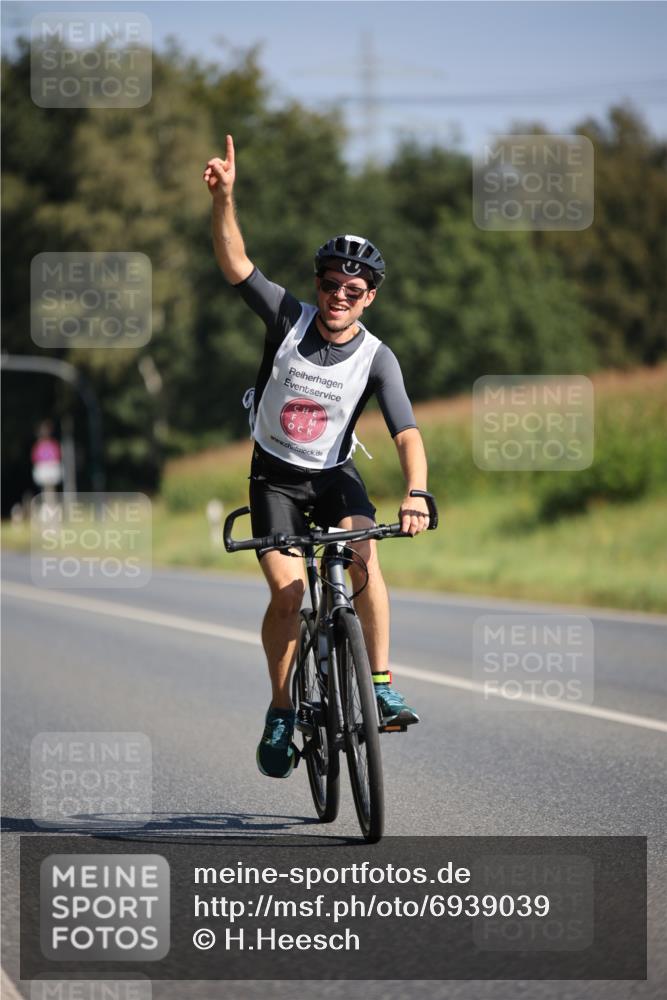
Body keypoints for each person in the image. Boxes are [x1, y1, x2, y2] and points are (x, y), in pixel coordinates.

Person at [204, 135, 431, 779]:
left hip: (334, 476)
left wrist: (415, 492)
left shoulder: (377, 358)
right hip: (273, 478)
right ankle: (282, 711)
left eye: (353, 289)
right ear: (317, 285)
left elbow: (407, 433)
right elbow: (235, 262)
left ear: (370, 298)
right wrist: (225, 199)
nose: (340, 295)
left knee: (363, 555)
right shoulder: (287, 319)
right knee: (289, 595)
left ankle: (380, 684)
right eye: (331, 283)